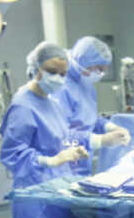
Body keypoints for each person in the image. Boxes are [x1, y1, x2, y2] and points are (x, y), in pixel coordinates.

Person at [0, 41, 128, 218]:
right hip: (34, 192)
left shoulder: (52, 104)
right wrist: (51, 160)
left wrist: (74, 150)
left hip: (58, 186)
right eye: (52, 72)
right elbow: (12, 154)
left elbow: (64, 136)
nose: (58, 78)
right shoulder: (23, 107)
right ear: (36, 68)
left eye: (63, 74)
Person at [54, 36, 129, 175]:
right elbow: (59, 133)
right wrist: (100, 140)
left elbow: (89, 119)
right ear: (81, 61)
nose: (101, 74)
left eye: (104, 70)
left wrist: (111, 127)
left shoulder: (87, 86)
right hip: (61, 165)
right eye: (98, 69)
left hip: (81, 164)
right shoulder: (60, 88)